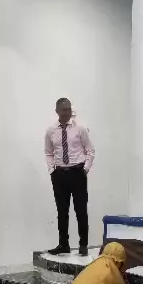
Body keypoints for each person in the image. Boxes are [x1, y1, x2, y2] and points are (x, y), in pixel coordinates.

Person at [45, 98, 95, 256]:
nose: (67, 112)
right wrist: (52, 170)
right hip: (59, 174)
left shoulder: (80, 129)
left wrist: (85, 169)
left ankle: (83, 245)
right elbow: (48, 152)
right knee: (62, 211)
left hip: (77, 172)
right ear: (57, 111)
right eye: (64, 110)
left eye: (69, 109)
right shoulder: (51, 131)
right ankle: (63, 244)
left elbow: (90, 150)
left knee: (81, 210)